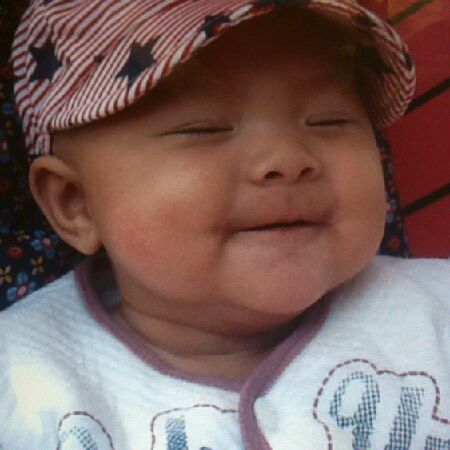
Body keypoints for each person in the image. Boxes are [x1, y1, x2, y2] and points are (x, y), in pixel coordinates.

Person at [0, 0, 448, 448]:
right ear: (76, 203)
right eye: (204, 128)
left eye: (329, 120)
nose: (287, 158)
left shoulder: (435, 313)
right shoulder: (20, 383)